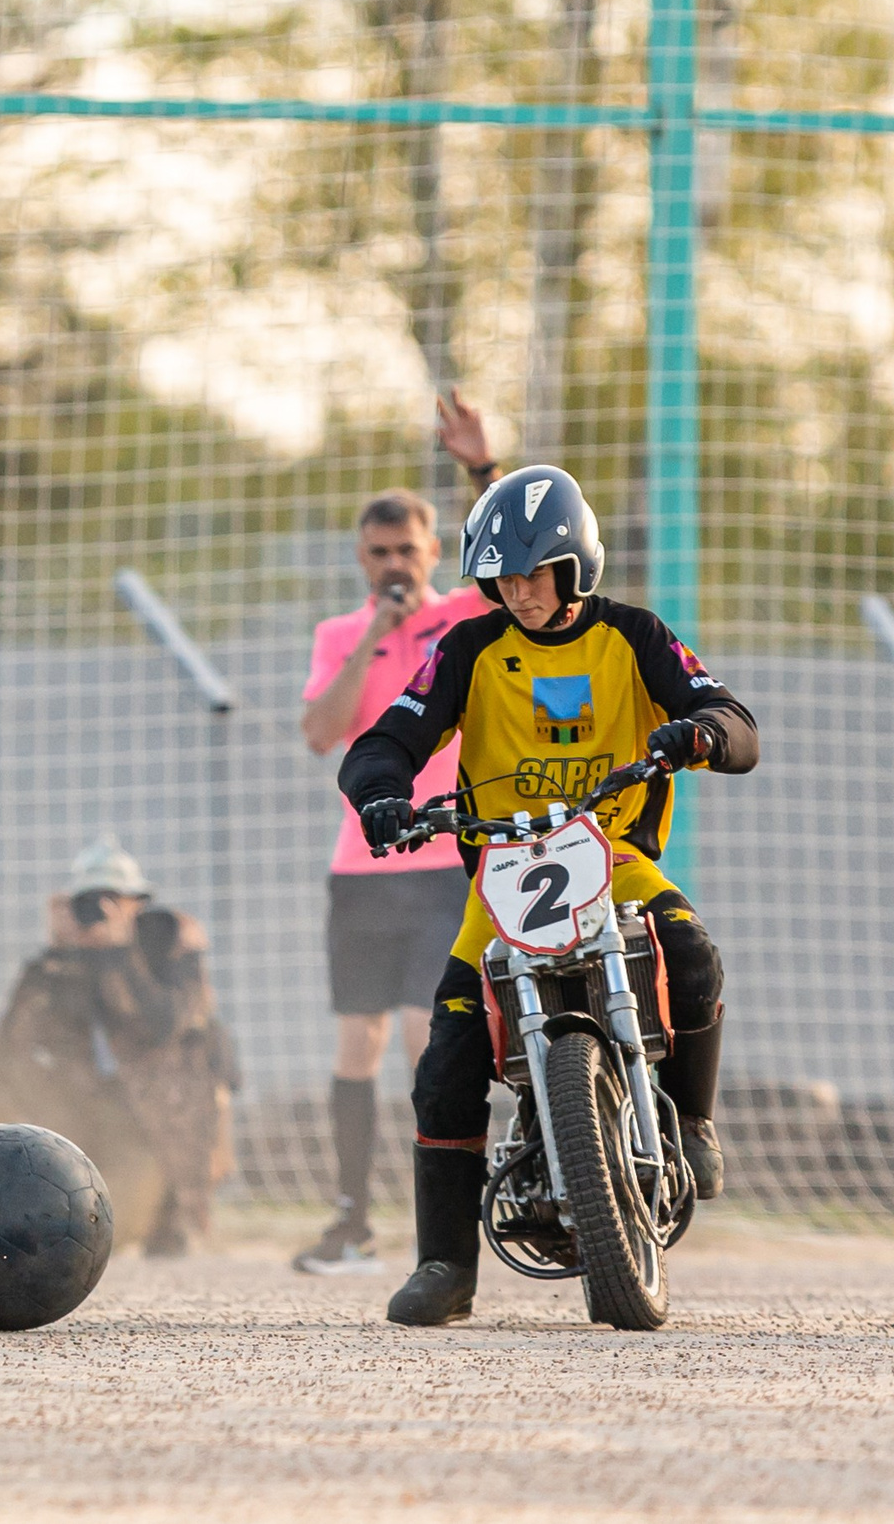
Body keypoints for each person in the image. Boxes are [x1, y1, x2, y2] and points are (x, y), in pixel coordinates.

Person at [340, 464, 757, 1327]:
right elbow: (390, 735)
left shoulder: (635, 636)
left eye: (533, 572)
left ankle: (694, 1121)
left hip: (617, 860)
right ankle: (446, 1265)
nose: (517, 591)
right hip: (498, 883)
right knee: (446, 1062)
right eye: (501, 576)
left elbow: (733, 719)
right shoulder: (469, 650)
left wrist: (700, 731)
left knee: (691, 951)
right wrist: (381, 791)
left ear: (577, 566)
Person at [292, 459, 497, 1273]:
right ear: (361, 558)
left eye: (406, 549)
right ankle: (351, 1218)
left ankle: (439, 1218)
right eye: (379, 552)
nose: (394, 564)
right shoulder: (340, 635)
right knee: (356, 1043)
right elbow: (320, 730)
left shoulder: (464, 617)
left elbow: (518, 568)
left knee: (429, 1033)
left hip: (444, 856)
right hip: (361, 864)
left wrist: (482, 468)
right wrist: (376, 633)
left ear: (433, 547)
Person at [0, 836, 235, 1255]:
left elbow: (164, 1025)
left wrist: (119, 951)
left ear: (136, 903)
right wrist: (55, 952)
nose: (99, 911)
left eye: (112, 899)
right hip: (91, 1107)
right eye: (90, 900)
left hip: (156, 1117)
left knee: (103, 1231)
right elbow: (13, 1036)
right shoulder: (69, 956)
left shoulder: (166, 943)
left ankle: (169, 1213)